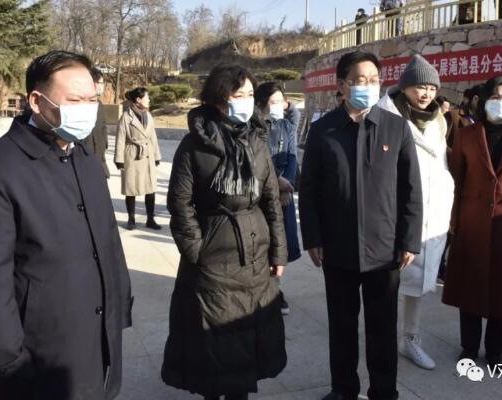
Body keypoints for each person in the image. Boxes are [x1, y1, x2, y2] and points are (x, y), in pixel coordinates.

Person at [0, 50, 133, 400]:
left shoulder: (85, 158)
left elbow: (109, 241)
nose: (87, 109)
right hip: (38, 355)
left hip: (95, 337)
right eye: (74, 101)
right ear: (36, 101)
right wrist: (7, 360)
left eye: (92, 100)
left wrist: (118, 310)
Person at [299, 51, 423, 400]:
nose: (367, 86)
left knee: (382, 328)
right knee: (342, 327)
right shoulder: (323, 131)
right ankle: (343, 389)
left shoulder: (396, 127)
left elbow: (411, 189)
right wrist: (313, 237)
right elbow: (308, 191)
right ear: (342, 85)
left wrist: (409, 240)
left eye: (373, 80)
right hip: (337, 248)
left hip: (385, 251)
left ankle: (383, 391)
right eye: (359, 80)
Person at [162, 64, 287, 400]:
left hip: (255, 255)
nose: (246, 101)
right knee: (213, 339)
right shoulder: (194, 144)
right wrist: (195, 249)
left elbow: (271, 199)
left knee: (246, 335)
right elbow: (180, 203)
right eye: (238, 94)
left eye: (250, 94)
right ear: (219, 99)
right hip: (213, 256)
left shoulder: (257, 140)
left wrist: (278, 251)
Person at [442, 76, 502, 367]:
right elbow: (456, 180)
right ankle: (469, 348)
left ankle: (495, 351)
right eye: (496, 97)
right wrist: (453, 219)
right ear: (484, 100)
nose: (501, 103)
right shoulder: (467, 135)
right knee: (470, 286)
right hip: (472, 220)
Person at [377, 55, 454, 371]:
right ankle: (382, 340)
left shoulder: (438, 119)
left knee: (418, 285)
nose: (426, 94)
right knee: (386, 284)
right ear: (405, 86)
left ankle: (410, 338)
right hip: (395, 212)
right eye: (420, 86)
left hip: (432, 212)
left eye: (432, 88)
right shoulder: (384, 116)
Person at [255, 81, 302, 315]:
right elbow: (256, 162)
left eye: (281, 101)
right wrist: (276, 184)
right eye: (273, 102)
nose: (278, 106)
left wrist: (287, 188)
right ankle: (262, 289)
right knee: (261, 245)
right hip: (261, 194)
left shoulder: (286, 126)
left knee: (279, 246)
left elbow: (292, 157)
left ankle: (275, 288)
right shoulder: (254, 128)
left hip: (283, 196)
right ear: (261, 104)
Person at [115, 87, 162, 230]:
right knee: (131, 188)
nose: (149, 99)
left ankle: (150, 219)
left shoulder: (149, 116)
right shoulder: (126, 117)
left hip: (147, 154)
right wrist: (119, 159)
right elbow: (120, 138)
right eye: (147, 97)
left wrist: (156, 155)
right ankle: (131, 219)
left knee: (150, 189)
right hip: (132, 155)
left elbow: (153, 137)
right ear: (138, 99)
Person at [82, 67, 110, 178]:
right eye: (101, 83)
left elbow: (103, 127)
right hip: (84, 156)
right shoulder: (80, 105)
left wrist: (104, 144)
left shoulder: (100, 105)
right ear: (92, 83)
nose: (102, 86)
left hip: (99, 156)